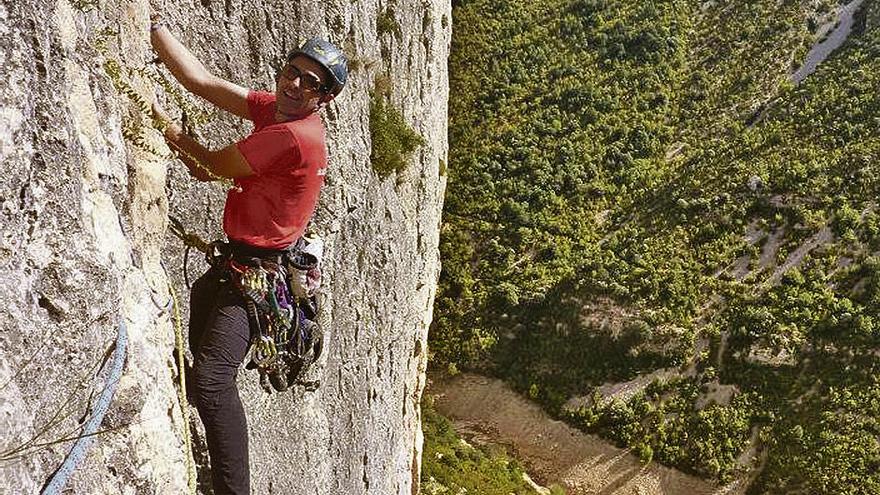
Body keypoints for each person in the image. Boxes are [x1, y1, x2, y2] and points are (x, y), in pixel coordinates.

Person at [148, 12, 347, 495]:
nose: (296, 84)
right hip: (239, 266)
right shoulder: (281, 112)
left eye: (311, 82)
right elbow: (205, 82)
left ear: (323, 98)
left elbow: (216, 164)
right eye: (292, 71)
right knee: (203, 366)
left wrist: (168, 131)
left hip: (256, 277)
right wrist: (154, 25)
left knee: (213, 382)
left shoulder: (295, 135)